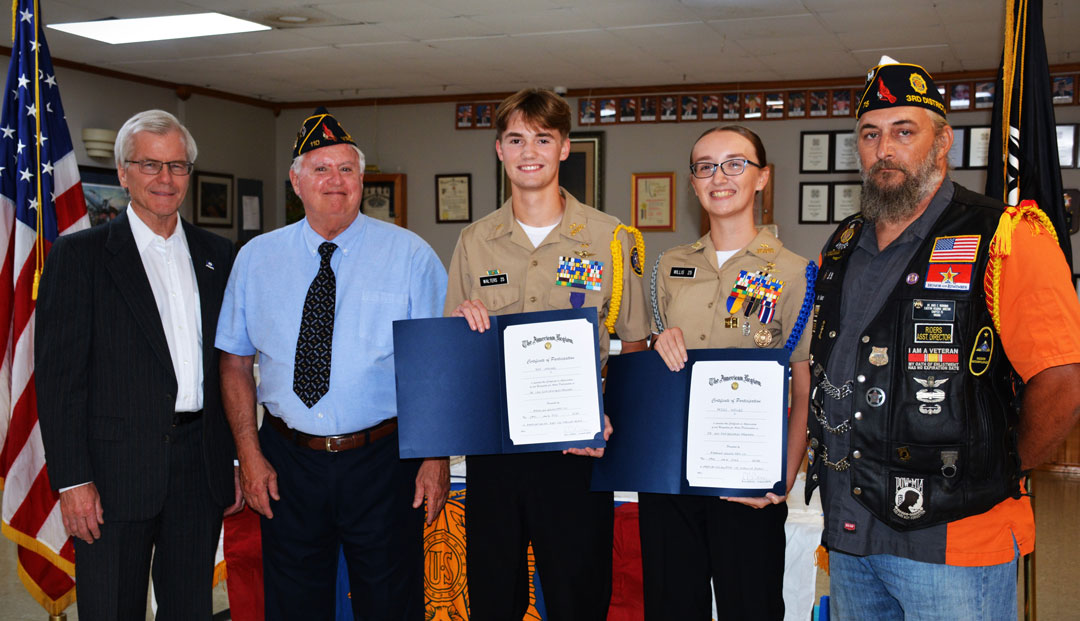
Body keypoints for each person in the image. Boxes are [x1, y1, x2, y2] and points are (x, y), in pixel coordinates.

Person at [807, 57, 1080, 619]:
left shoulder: (1003, 236)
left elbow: (1062, 378)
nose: (885, 149)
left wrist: (1001, 466)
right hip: (852, 536)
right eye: (870, 134)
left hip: (956, 544)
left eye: (904, 132)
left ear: (942, 142)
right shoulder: (841, 246)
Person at [216, 107, 449, 620]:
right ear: (295, 181)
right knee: (293, 604)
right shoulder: (256, 258)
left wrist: (435, 461)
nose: (335, 180)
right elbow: (234, 362)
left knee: (391, 602)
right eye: (320, 168)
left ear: (362, 180)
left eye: (346, 169)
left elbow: (436, 366)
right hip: (286, 462)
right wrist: (248, 457)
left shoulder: (411, 255)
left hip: (385, 459)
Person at [445, 87, 650, 620]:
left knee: (577, 595)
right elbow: (452, 351)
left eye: (542, 138)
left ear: (563, 147)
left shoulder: (611, 239)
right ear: (499, 150)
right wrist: (464, 328)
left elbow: (633, 343)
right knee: (494, 596)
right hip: (496, 451)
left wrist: (610, 417)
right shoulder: (474, 241)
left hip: (573, 456)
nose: (528, 150)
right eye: (515, 139)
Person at [35, 109, 242, 620]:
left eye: (177, 166)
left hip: (201, 469)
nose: (165, 179)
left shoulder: (220, 255)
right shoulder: (78, 257)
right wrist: (72, 480)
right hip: (111, 477)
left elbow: (229, 365)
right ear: (123, 173)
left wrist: (234, 457)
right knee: (111, 610)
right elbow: (59, 381)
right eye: (149, 165)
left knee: (190, 608)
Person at [640, 126, 813, 620]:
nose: (720, 177)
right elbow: (656, 372)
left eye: (735, 164)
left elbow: (803, 386)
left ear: (762, 178)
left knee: (751, 607)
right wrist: (657, 344)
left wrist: (782, 477)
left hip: (747, 482)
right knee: (672, 607)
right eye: (705, 166)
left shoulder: (793, 272)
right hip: (671, 478)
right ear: (693, 183)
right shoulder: (667, 267)